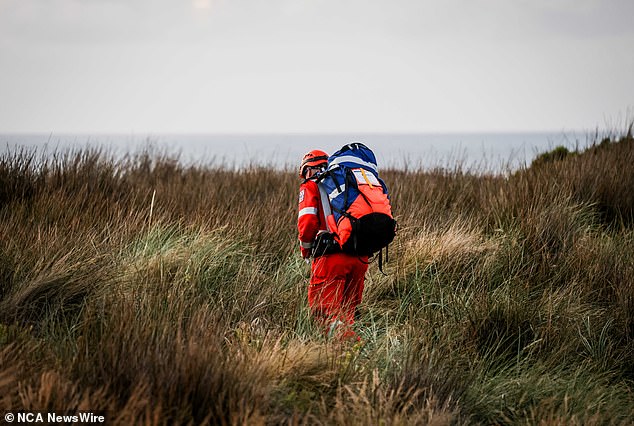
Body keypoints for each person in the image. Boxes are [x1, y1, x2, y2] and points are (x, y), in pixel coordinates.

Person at [297, 150, 368, 341]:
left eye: (305, 173)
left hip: (330, 258)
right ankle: (355, 362)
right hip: (359, 258)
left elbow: (307, 224)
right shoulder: (346, 185)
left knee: (326, 316)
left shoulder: (310, 186)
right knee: (347, 315)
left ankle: (350, 355)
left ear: (309, 169)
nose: (305, 177)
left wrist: (306, 250)